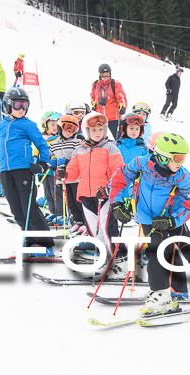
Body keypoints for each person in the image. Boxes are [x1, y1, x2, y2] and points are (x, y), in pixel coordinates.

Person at [109, 133, 190, 316]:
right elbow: (119, 179)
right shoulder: (141, 164)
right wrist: (117, 203)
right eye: (177, 158)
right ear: (162, 156)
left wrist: (173, 219)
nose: (181, 162)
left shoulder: (181, 177)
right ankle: (162, 294)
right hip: (148, 220)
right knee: (156, 253)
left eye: (184, 158)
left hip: (172, 220)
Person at [58, 112, 126, 272]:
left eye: (101, 130)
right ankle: (104, 258)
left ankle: (120, 260)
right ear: (87, 131)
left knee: (107, 228)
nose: (97, 133)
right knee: (94, 231)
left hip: (105, 195)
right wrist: (65, 174)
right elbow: (73, 171)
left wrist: (110, 189)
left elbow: (119, 170)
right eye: (93, 130)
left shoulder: (110, 147)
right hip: (86, 196)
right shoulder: (80, 149)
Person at [0, 87, 55, 253]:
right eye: (18, 105)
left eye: (25, 105)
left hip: (23, 171)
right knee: (16, 209)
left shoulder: (28, 125)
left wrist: (42, 163)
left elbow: (42, 145)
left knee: (29, 207)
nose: (22, 109)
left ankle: (44, 243)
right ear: (8, 105)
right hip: (5, 171)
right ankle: (31, 238)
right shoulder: (1, 126)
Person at [50, 114, 86, 235]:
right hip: (62, 178)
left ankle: (86, 223)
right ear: (60, 128)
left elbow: (81, 156)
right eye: (66, 127)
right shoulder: (54, 144)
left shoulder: (78, 142)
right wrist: (52, 161)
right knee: (69, 202)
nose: (69, 131)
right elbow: (49, 155)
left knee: (78, 201)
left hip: (76, 179)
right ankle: (78, 221)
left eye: (73, 128)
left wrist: (68, 162)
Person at [90, 64, 128, 139]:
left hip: (114, 117)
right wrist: (94, 104)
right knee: (101, 137)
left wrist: (122, 107)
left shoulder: (115, 84)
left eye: (107, 75)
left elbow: (121, 96)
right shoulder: (95, 84)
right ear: (100, 75)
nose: (105, 78)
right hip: (101, 118)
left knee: (116, 137)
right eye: (103, 75)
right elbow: (93, 97)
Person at [38, 111, 63, 223]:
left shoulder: (60, 139)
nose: (55, 127)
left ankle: (60, 214)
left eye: (57, 124)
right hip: (45, 171)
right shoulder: (42, 139)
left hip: (54, 171)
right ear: (46, 125)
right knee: (48, 193)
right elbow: (38, 150)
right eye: (52, 124)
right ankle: (53, 212)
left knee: (56, 194)